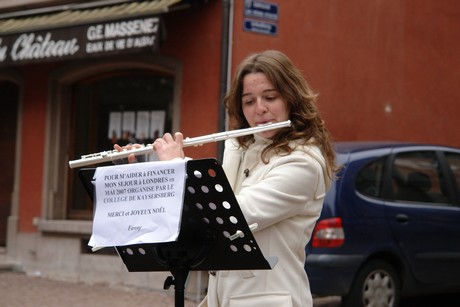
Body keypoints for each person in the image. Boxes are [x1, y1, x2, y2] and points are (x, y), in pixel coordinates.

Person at [119, 50, 337, 307]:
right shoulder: (240, 148)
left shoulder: (303, 163)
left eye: (270, 97)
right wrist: (144, 167)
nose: (260, 110)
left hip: (269, 301)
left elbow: (230, 215)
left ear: (291, 98)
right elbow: (200, 209)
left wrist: (177, 167)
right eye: (248, 101)